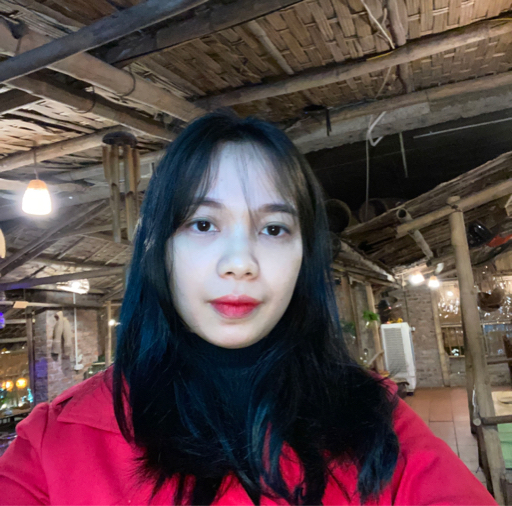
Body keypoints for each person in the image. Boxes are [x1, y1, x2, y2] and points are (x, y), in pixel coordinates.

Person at [0, 112, 496, 505]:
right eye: (202, 224)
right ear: (158, 247)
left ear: (304, 257)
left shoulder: (376, 423)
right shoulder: (53, 443)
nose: (240, 263)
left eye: (274, 229)